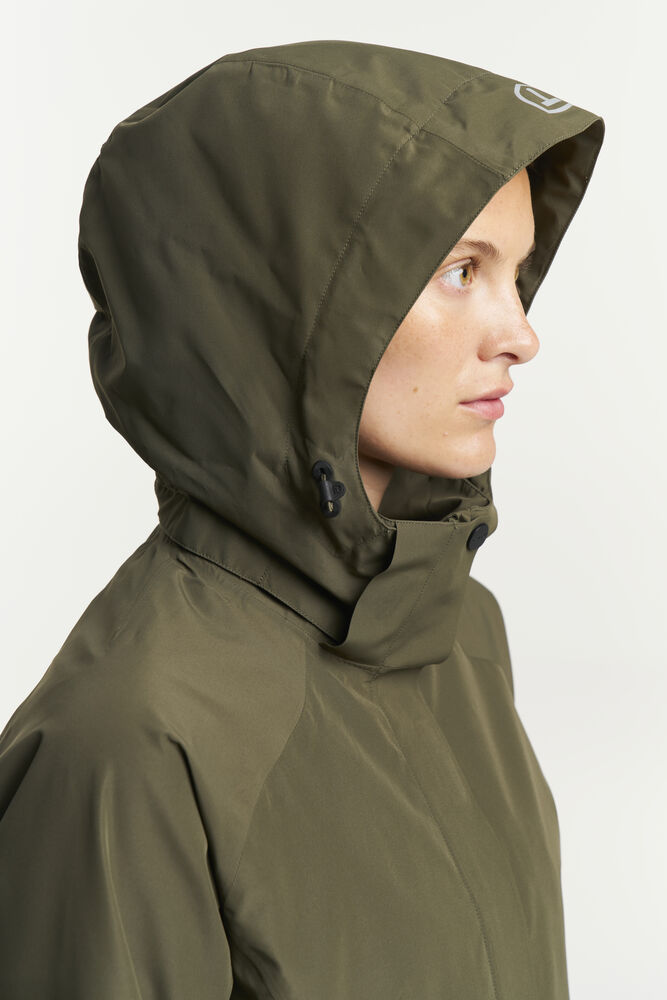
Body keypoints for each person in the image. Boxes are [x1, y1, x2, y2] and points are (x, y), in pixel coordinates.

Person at [0, 38, 605, 1000]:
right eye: (460, 271)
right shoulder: (125, 746)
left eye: (516, 272)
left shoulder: (458, 632)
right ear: (284, 306)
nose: (520, 334)